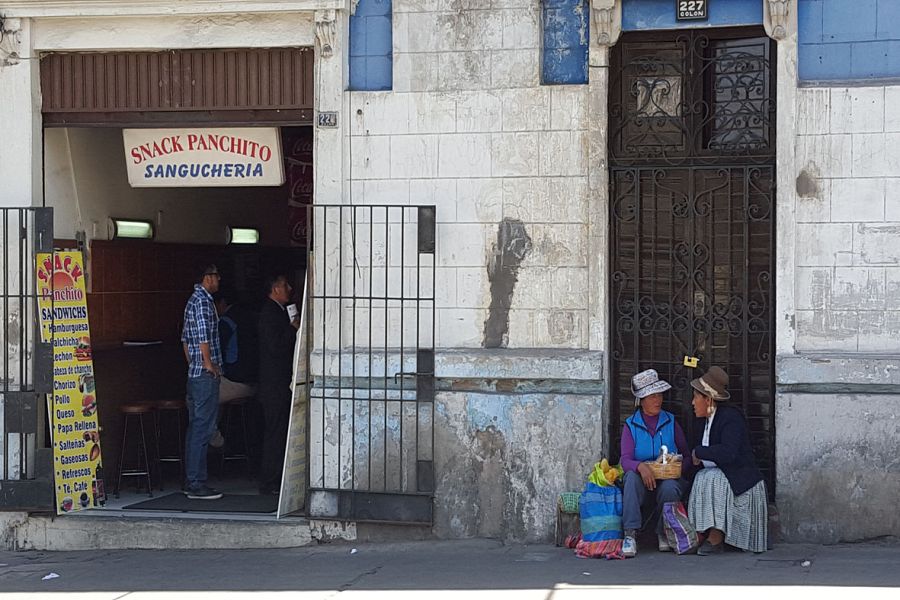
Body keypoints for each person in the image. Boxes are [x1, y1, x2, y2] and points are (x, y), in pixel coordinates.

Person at [688, 366, 768, 555]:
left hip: (741, 481)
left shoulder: (730, 418)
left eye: (696, 397)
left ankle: (716, 537)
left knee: (711, 478)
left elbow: (728, 453)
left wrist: (699, 452)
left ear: (708, 400)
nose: (692, 403)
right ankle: (702, 531)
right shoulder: (703, 421)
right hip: (725, 478)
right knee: (704, 476)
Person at [620, 368, 691, 558]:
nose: (657, 400)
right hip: (641, 481)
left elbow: (686, 455)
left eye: (659, 395)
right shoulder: (631, 425)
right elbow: (625, 460)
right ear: (641, 400)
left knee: (670, 487)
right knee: (631, 479)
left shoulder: (670, 421)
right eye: (652, 396)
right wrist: (641, 467)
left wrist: (676, 468)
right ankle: (630, 534)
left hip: (668, 479)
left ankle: (663, 532)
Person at [180, 264, 224, 500]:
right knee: (203, 428)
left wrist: (193, 364)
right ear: (208, 278)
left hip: (194, 373)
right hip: (204, 376)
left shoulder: (192, 301)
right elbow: (203, 337)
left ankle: (191, 480)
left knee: (195, 426)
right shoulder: (204, 302)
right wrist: (208, 364)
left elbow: (185, 340)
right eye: (216, 276)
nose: (219, 280)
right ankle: (196, 482)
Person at [257, 275, 299, 496]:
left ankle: (278, 478)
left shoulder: (279, 312)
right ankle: (270, 480)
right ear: (275, 289)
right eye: (284, 285)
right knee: (275, 431)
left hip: (281, 382)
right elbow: (275, 347)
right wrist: (292, 329)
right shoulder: (269, 314)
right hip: (274, 384)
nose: (289, 288)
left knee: (280, 430)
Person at [208, 290, 259, 448]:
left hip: (238, 382)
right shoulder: (251, 317)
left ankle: (214, 440)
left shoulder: (226, 321)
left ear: (222, 303)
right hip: (256, 380)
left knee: (202, 394)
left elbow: (215, 352)